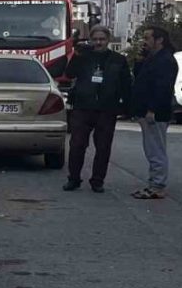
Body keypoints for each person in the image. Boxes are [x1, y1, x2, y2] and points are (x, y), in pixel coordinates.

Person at [62, 25, 131, 192]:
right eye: (95, 39)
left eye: (102, 39)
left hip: (107, 109)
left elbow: (126, 85)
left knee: (103, 147)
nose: (98, 42)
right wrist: (76, 56)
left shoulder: (118, 60)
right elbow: (69, 74)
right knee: (77, 145)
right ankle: (74, 178)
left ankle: (98, 181)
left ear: (108, 40)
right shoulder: (83, 56)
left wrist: (126, 107)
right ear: (91, 40)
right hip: (83, 107)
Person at [129, 25, 178, 199]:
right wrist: (140, 60)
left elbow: (162, 88)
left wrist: (152, 110)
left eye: (148, 38)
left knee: (155, 149)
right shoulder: (153, 58)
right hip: (147, 110)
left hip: (155, 112)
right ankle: (154, 182)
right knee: (152, 148)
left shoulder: (165, 60)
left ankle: (157, 185)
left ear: (159, 40)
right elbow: (140, 78)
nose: (145, 41)